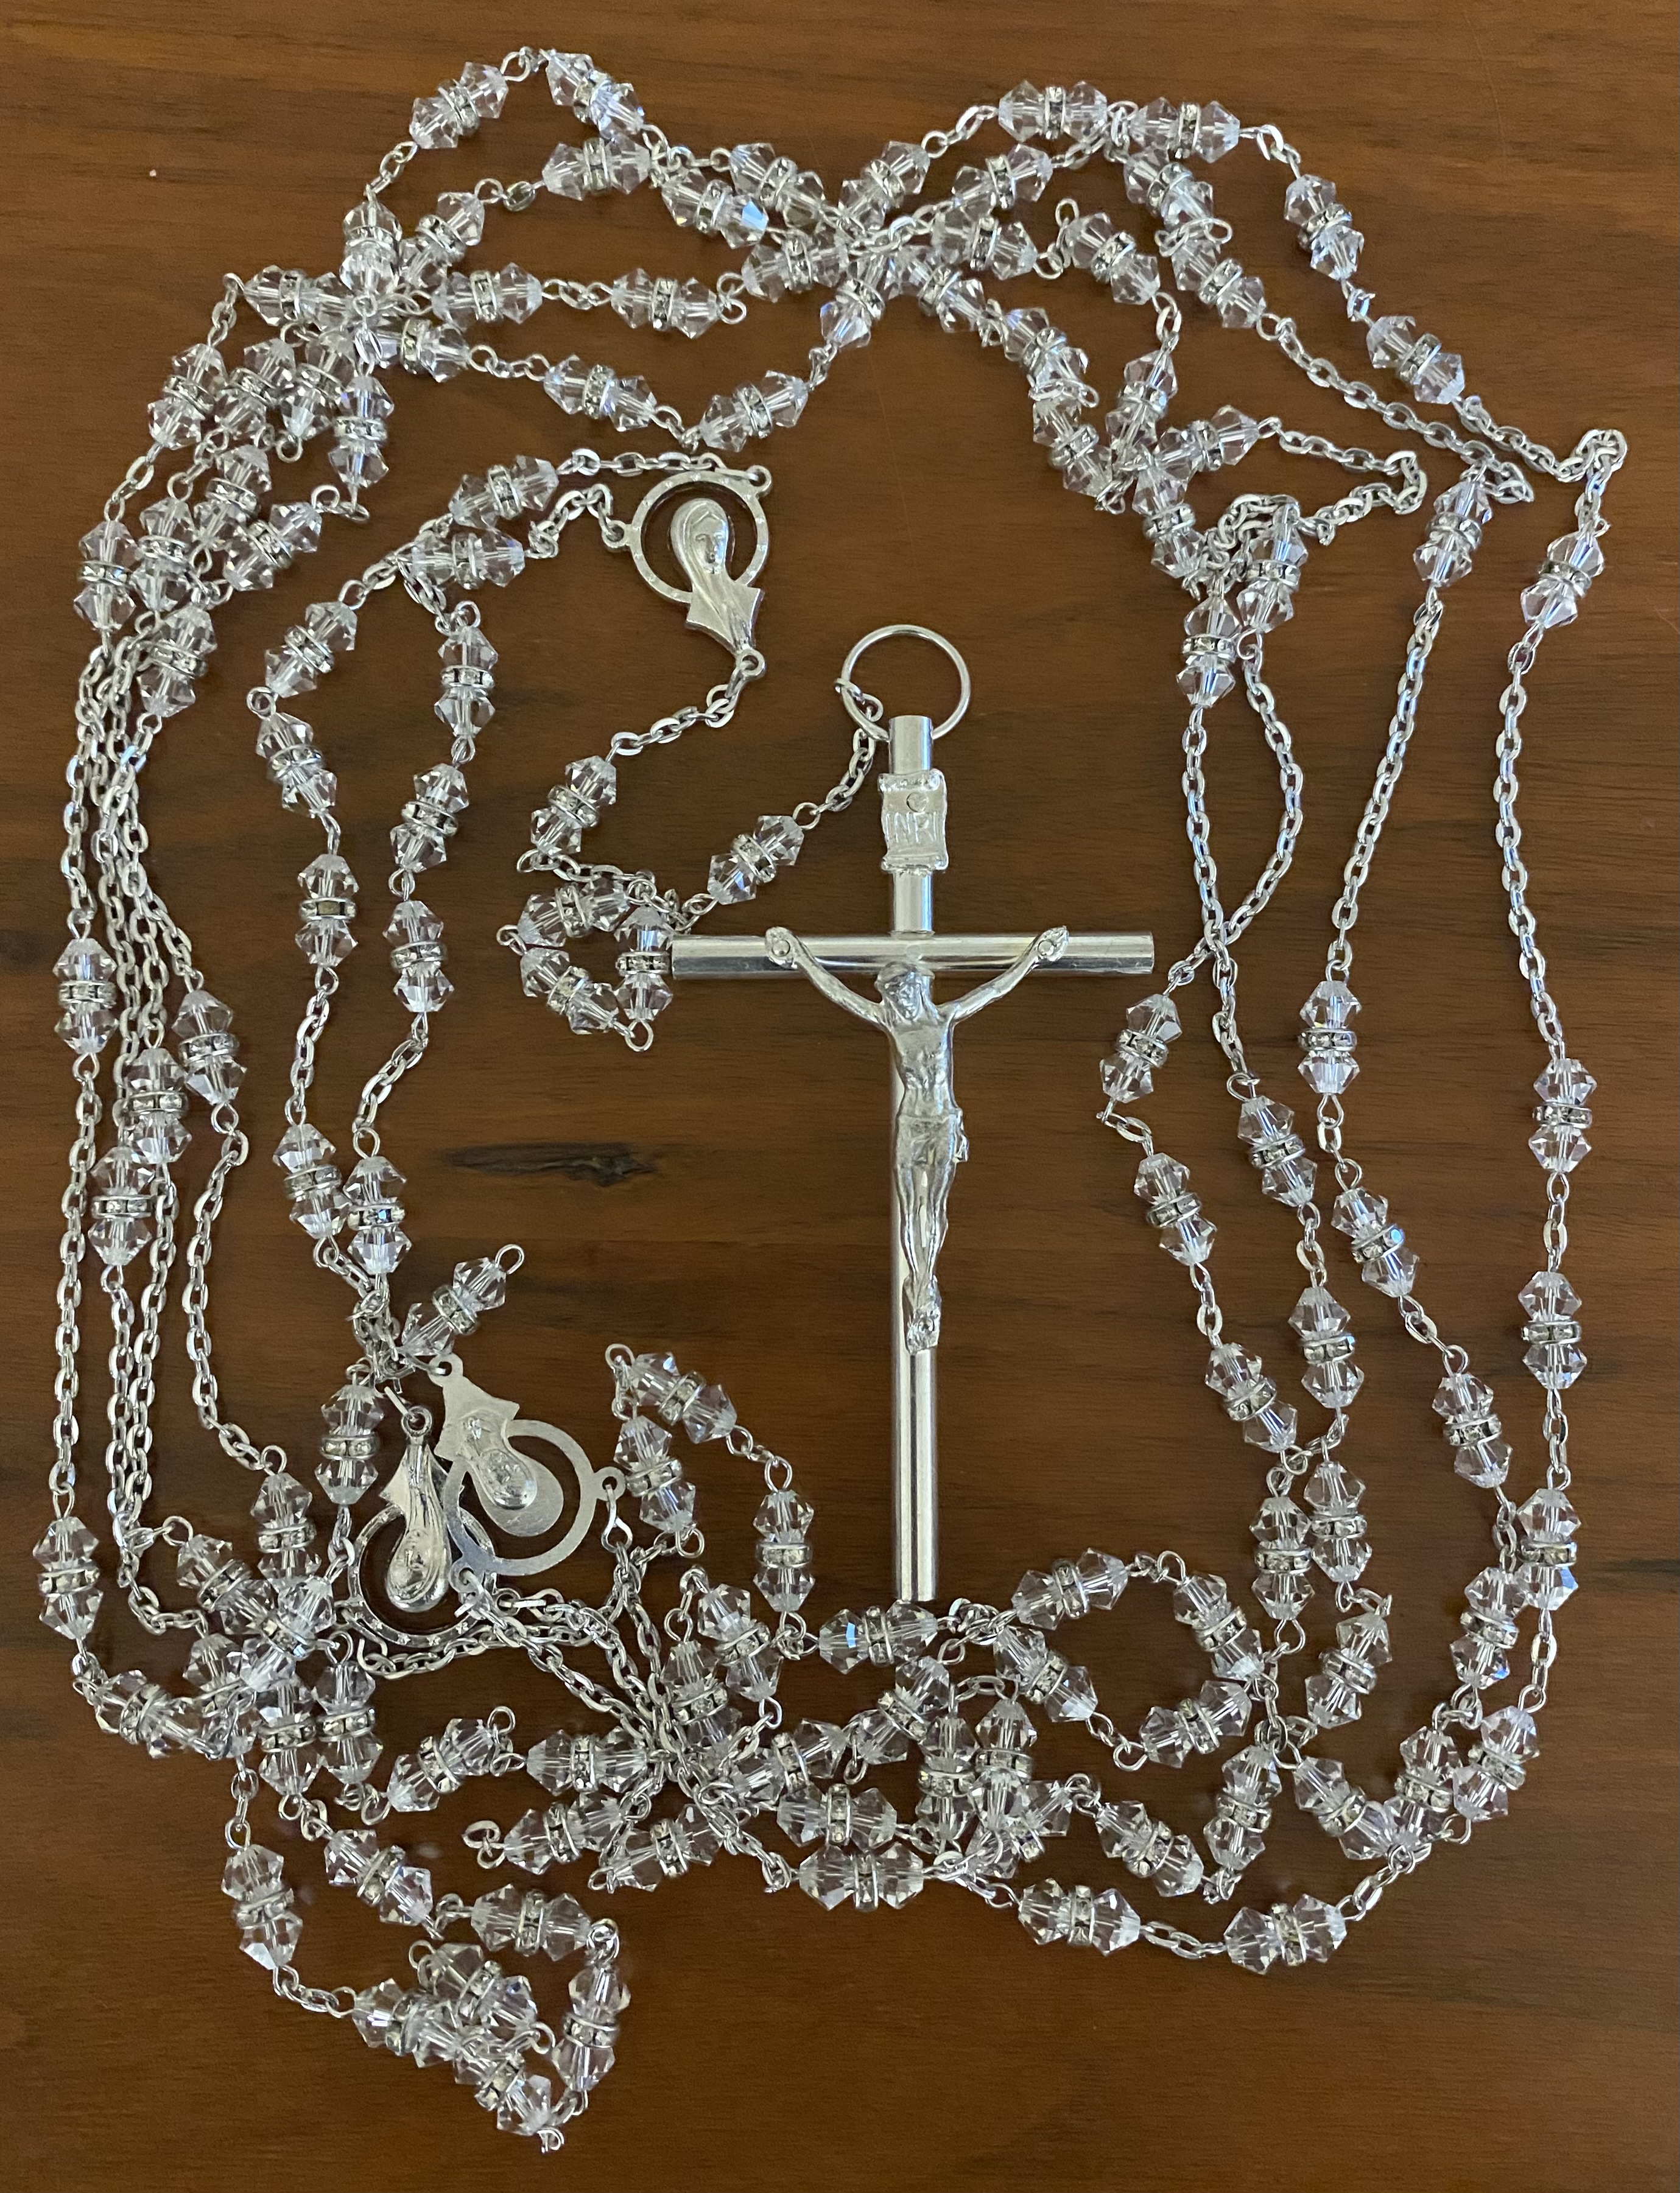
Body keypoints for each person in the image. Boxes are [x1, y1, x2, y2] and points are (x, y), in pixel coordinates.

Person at [764, 925, 1068, 1350]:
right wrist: (799, 957)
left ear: (918, 988)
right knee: (912, 1208)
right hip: (911, 1123)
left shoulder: (943, 1019)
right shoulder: (891, 1023)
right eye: (893, 993)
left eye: (903, 991)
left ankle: (925, 1286)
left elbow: (995, 989)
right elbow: (838, 993)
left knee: (935, 1207)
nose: (899, 999)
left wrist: (1034, 957)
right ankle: (921, 1286)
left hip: (941, 1122)